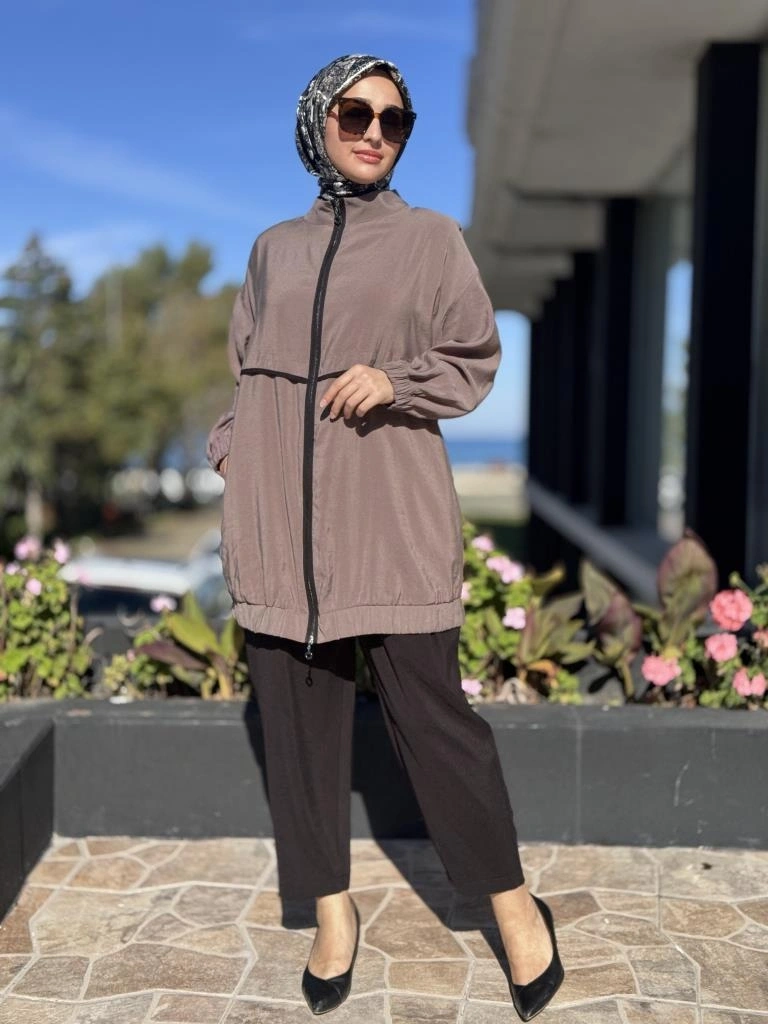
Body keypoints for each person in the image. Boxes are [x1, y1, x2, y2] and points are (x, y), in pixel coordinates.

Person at [206, 53, 564, 1019]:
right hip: (277, 526)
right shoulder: (273, 248)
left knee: (437, 723)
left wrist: (396, 380)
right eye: (355, 114)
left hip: (389, 517)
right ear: (317, 122)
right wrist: (234, 447)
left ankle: (513, 907)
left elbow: (474, 355)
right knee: (296, 730)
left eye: (394, 120)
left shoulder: (431, 239)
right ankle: (332, 912)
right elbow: (245, 365)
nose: (374, 132)